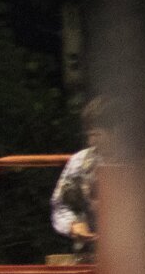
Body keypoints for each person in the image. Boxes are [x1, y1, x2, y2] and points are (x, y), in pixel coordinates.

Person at [49, 96, 117, 264]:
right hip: (90, 257)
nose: (91, 141)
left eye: (97, 135)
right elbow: (61, 204)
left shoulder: (142, 162)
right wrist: (73, 225)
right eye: (90, 135)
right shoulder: (80, 162)